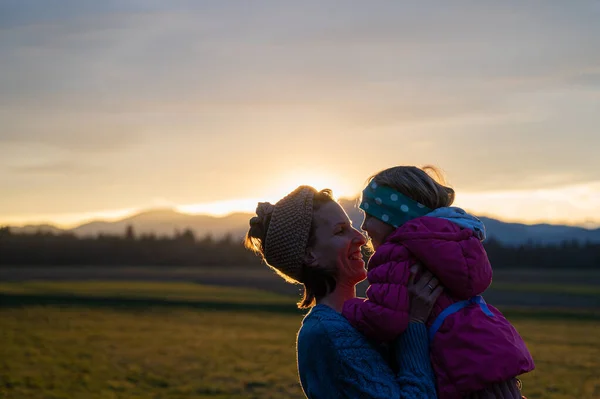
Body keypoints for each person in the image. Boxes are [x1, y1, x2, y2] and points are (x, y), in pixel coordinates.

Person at [342, 165, 534, 399]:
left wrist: (347, 307)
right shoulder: (454, 243)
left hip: (454, 362)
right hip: (487, 350)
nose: (364, 227)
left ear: (392, 216)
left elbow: (385, 319)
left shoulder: (396, 253)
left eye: (369, 215)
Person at [244, 185, 443, 398]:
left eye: (351, 227)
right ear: (310, 255)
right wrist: (414, 324)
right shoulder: (327, 334)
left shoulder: (364, 319)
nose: (361, 238)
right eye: (340, 231)